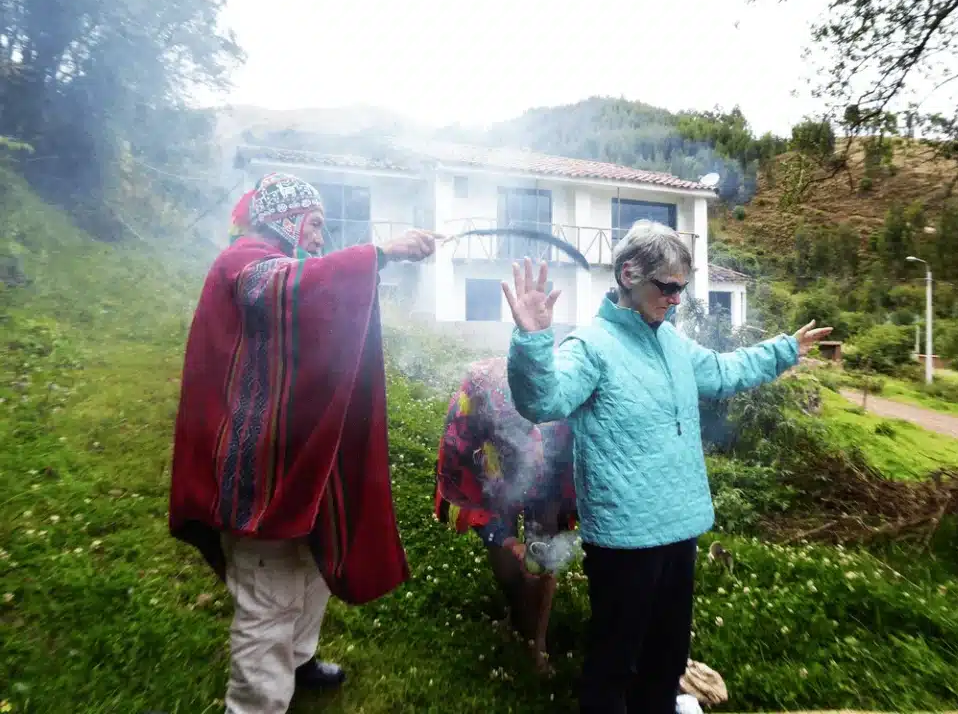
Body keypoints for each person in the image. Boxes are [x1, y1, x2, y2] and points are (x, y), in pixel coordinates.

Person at [501, 220, 832, 714]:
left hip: (680, 527)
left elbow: (723, 371)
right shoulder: (591, 347)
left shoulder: (671, 342)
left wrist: (783, 351)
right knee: (616, 661)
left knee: (667, 656)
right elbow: (544, 400)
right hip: (625, 539)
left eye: (683, 287)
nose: (677, 299)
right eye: (669, 287)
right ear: (629, 273)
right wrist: (531, 341)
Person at [169, 171, 439, 714]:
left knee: (311, 565)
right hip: (255, 470)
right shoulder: (243, 261)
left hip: (295, 457)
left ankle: (299, 660)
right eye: (314, 223)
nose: (320, 236)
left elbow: (316, 313)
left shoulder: (283, 261)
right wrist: (379, 253)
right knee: (268, 593)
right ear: (284, 218)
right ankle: (254, 704)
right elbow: (284, 290)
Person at [433, 357, 577, 673]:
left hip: (549, 475)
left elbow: (564, 479)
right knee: (506, 560)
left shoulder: (563, 415)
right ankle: (516, 613)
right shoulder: (470, 413)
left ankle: (536, 644)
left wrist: (542, 542)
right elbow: (471, 500)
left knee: (544, 555)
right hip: (493, 471)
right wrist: (507, 540)